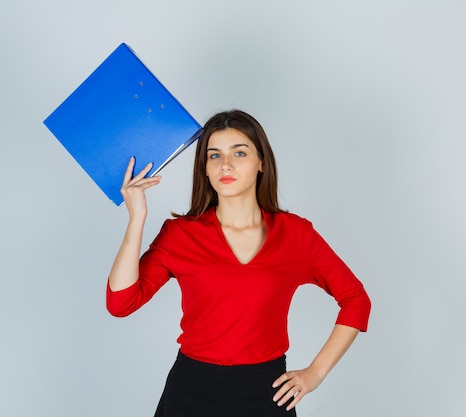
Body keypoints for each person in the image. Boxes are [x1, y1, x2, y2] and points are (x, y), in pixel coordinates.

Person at [106, 109, 371, 416]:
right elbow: (121, 302)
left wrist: (315, 373)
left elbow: (356, 300)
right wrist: (136, 218)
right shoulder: (180, 234)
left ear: (261, 163)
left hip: (266, 393)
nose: (226, 164)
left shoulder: (296, 234)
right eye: (214, 155)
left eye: (239, 152)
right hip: (190, 390)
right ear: (204, 168)